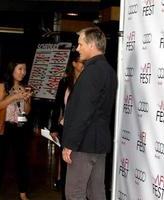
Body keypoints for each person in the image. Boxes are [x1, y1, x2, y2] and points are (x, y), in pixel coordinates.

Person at [61, 27, 117, 200]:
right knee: (96, 193)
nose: (77, 49)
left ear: (92, 45)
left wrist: (70, 144)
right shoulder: (108, 70)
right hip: (99, 143)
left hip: (84, 143)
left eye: (80, 44)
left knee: (74, 193)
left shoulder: (92, 72)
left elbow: (84, 112)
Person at [0, 59, 32, 200]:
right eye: (20, 69)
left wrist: (26, 100)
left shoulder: (26, 87)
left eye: (24, 69)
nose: (23, 73)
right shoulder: (3, 86)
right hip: (4, 127)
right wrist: (14, 96)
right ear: (12, 69)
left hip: (20, 127)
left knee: (22, 161)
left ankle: (23, 193)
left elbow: (27, 111)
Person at [49, 50, 83, 198]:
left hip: (83, 129)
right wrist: (54, 128)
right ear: (74, 63)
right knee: (65, 165)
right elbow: (57, 105)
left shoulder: (88, 80)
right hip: (66, 128)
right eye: (82, 62)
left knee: (80, 165)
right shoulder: (65, 81)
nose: (84, 65)